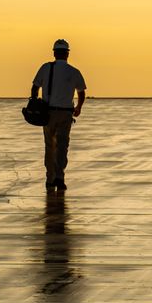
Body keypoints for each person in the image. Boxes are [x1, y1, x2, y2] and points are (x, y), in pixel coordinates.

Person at [31, 38, 86, 193]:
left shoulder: (45, 68)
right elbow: (81, 93)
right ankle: (60, 178)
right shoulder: (74, 72)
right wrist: (79, 108)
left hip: (48, 113)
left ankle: (49, 179)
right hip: (65, 114)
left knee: (50, 147)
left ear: (54, 53)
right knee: (62, 146)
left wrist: (35, 104)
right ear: (67, 54)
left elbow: (34, 88)